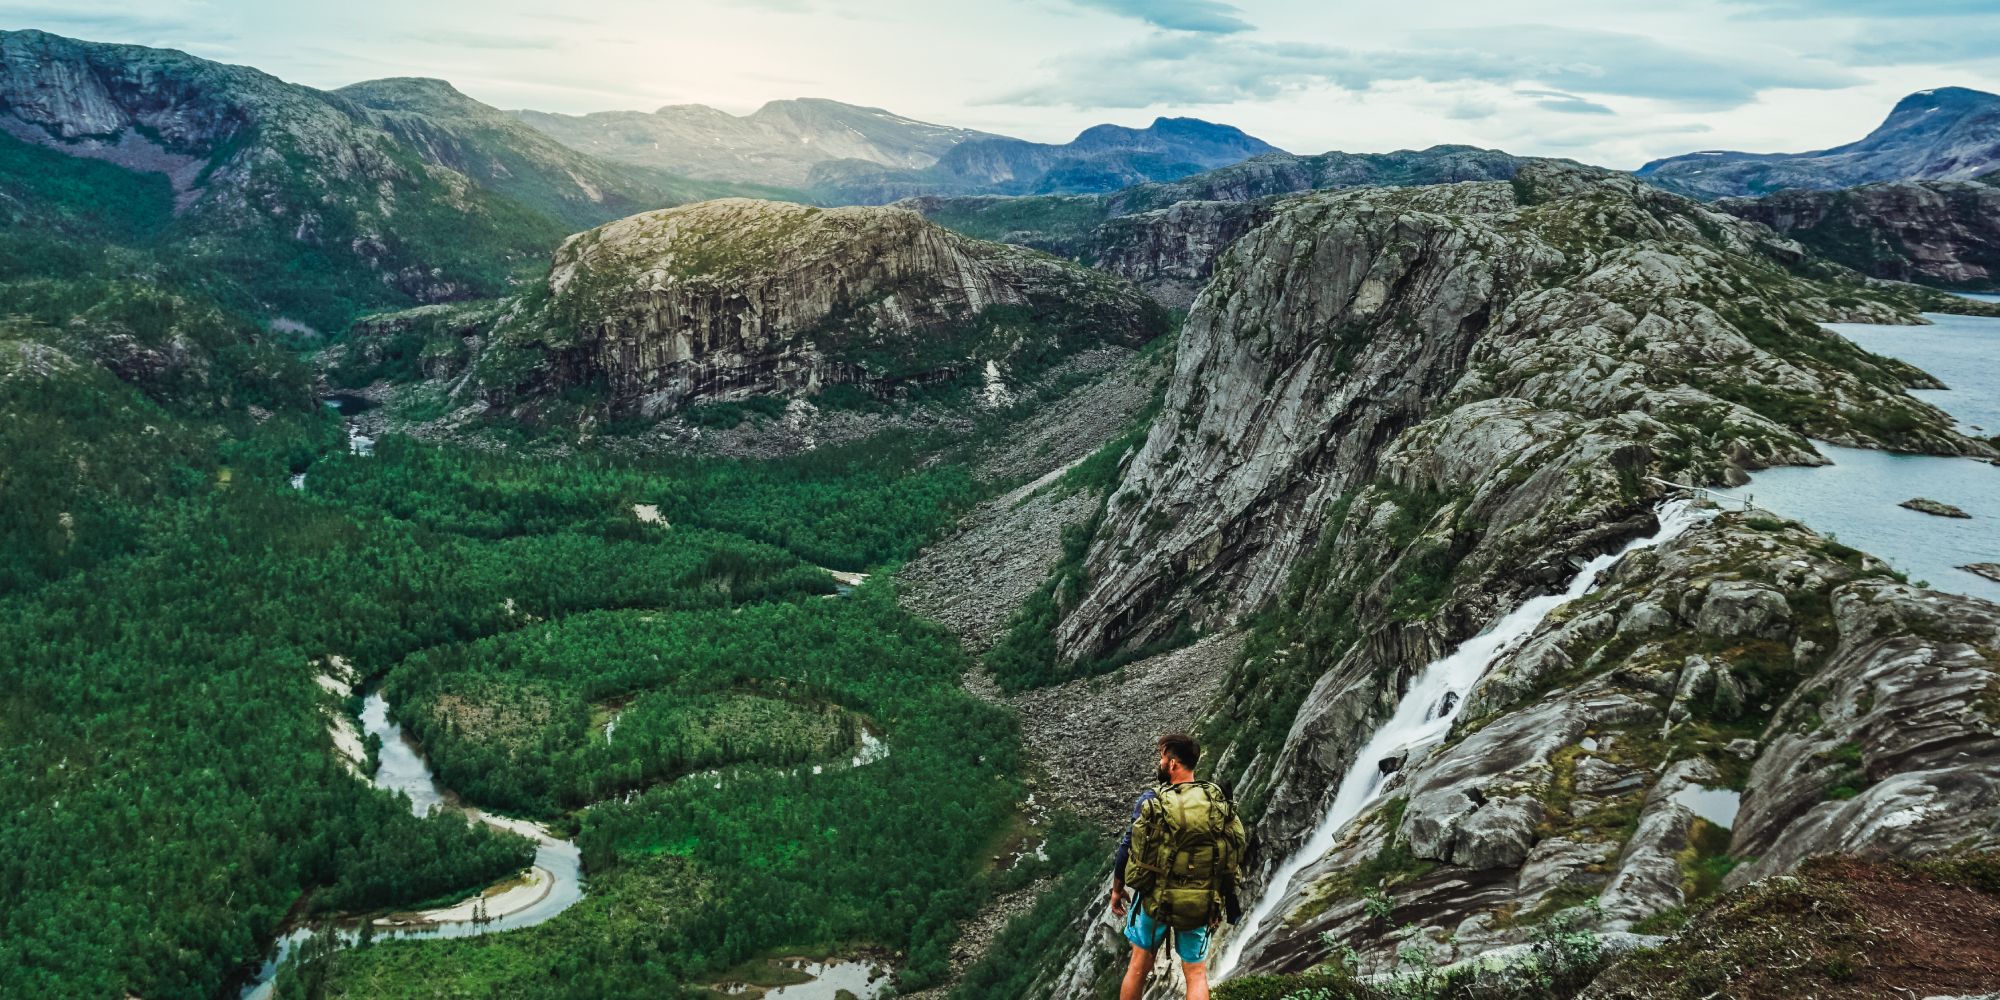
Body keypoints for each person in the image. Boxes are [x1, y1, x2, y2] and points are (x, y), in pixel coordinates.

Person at [1110, 733, 1247, 1000]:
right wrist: (1220, 897)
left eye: (1162, 758)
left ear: (1172, 764)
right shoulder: (1215, 800)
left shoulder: (1153, 800)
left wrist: (1117, 889)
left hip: (1156, 901)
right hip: (1201, 902)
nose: (1160, 763)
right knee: (1195, 973)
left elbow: (1127, 847)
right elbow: (1230, 851)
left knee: (1138, 966)